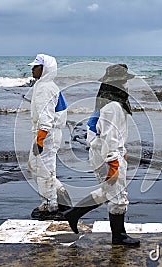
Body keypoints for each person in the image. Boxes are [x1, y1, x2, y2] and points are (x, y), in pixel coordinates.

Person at [64, 64, 140, 246]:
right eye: (124, 81)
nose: (126, 85)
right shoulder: (113, 106)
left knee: (109, 192)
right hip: (106, 153)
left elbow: (106, 133)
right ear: (118, 84)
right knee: (118, 194)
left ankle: (74, 213)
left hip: (102, 152)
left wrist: (123, 151)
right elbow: (109, 136)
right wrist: (114, 162)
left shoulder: (107, 101)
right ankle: (119, 236)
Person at [27, 54, 72, 220]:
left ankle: (51, 205)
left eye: (35, 66)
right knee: (35, 166)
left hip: (47, 134)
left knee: (44, 169)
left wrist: (40, 138)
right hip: (47, 133)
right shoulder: (44, 85)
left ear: (44, 69)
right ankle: (61, 197)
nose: (32, 69)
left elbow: (46, 116)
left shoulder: (45, 88)